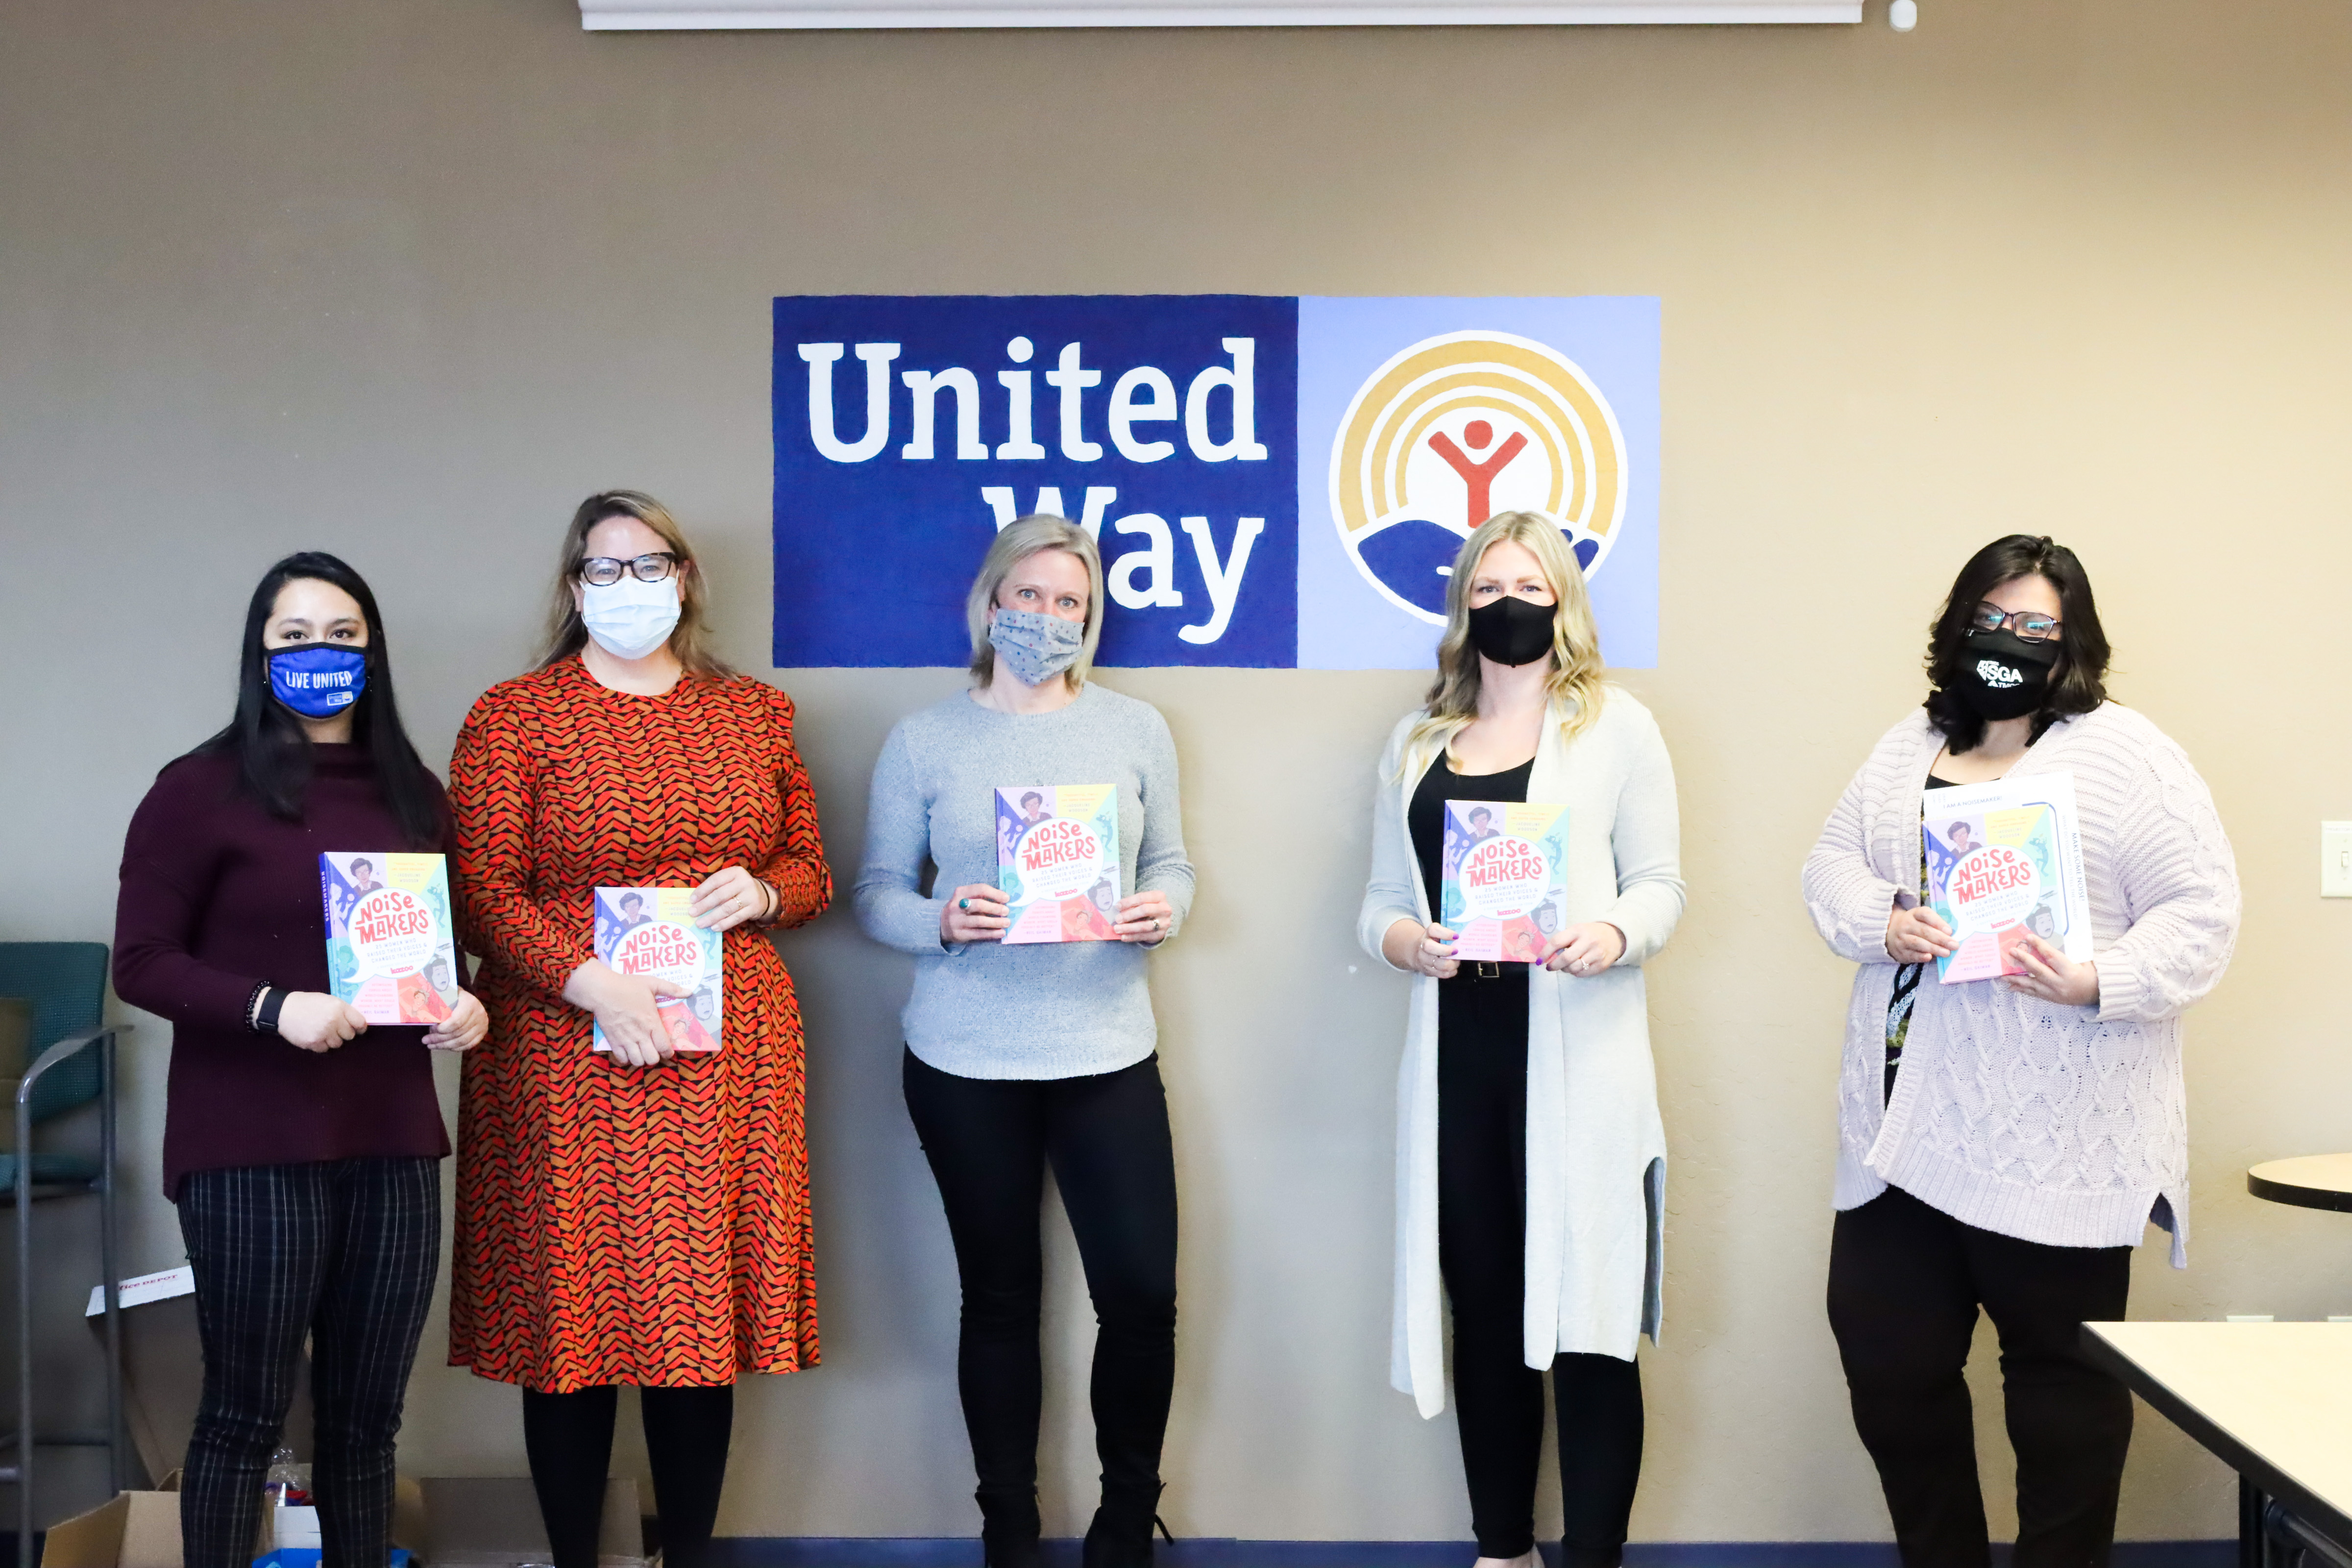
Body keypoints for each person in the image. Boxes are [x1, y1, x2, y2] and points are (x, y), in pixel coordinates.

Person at [1801, 535, 2240, 1568]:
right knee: (1890, 1370)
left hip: (2057, 1138)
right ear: (1957, 621)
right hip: (1900, 1136)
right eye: (1993, 615)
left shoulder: (2127, 754)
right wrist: (1883, 916)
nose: (2011, 638)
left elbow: (2205, 913)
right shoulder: (1906, 744)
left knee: (2063, 1403)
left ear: (2073, 641)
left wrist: (2099, 980)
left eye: (2038, 625)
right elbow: (1829, 864)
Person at [447, 490, 831, 1568]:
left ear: (686, 577)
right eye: (605, 569)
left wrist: (762, 896)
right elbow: (479, 894)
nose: (630, 587)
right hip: (564, 1051)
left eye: (649, 564)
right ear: (575, 588)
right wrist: (589, 982)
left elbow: (812, 869)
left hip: (727, 1057)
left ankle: (690, 1555)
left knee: (694, 1326)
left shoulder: (755, 712)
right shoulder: (512, 716)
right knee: (568, 1329)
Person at [112, 551, 490, 1568]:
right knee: (243, 1415)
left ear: (371, 650)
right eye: (294, 636)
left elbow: (436, 954)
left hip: (392, 1139)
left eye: (342, 635)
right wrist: (271, 1006)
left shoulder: (413, 791)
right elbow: (140, 962)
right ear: (259, 651)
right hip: (247, 1145)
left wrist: (464, 1003)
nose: (319, 654)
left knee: (367, 1426)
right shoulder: (195, 791)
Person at [854, 515, 1195, 1568]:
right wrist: (941, 921)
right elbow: (875, 894)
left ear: (1091, 622)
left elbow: (1176, 862)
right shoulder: (924, 738)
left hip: (1106, 1050)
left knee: (1139, 1292)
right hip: (965, 1060)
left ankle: (1126, 1519)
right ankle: (1009, 1525)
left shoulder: (1136, 729)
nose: (1049, 618)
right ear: (991, 599)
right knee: (999, 1299)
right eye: (1032, 596)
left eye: (1072, 605)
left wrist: (1160, 906)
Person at [1356, 512, 1684, 1568]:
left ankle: (1592, 1553)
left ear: (1564, 603)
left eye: (1531, 585)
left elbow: (1664, 887)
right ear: (1463, 604)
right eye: (1490, 585)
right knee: (1486, 1314)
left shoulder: (1618, 728)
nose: (1510, 603)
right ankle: (1502, 1548)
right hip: (1459, 1065)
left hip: (1579, 1066)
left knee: (1588, 1323)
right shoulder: (1414, 744)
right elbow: (1374, 905)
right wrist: (1405, 939)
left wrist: (1614, 931)